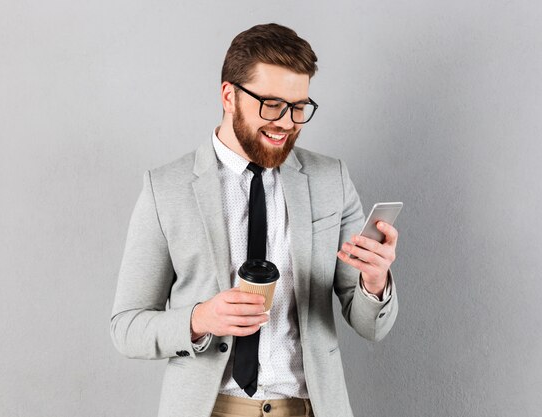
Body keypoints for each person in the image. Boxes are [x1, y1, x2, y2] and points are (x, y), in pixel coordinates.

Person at [111, 23, 399, 417]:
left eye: (299, 107)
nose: (286, 122)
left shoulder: (331, 180)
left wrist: (375, 282)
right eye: (271, 104)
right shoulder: (166, 190)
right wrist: (200, 318)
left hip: (307, 409)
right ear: (229, 96)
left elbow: (372, 327)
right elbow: (126, 329)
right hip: (210, 408)